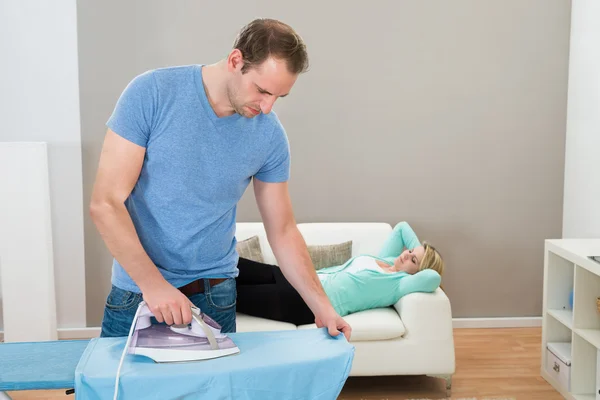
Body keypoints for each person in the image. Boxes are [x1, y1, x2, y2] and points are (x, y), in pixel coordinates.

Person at [90, 18, 351, 341]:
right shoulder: (152, 93)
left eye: (279, 97)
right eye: (262, 91)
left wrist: (321, 305)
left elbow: (282, 230)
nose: (267, 107)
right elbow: (106, 203)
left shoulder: (269, 137)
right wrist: (154, 286)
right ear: (235, 61)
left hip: (215, 293)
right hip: (138, 291)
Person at [235, 221, 445, 325]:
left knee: (232, 295)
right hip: (302, 278)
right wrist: (418, 252)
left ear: (417, 272)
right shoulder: (387, 260)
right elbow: (401, 228)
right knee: (234, 265)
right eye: (409, 251)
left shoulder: (399, 284)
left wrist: (422, 262)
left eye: (413, 260)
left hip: (304, 304)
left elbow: (433, 278)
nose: (406, 255)